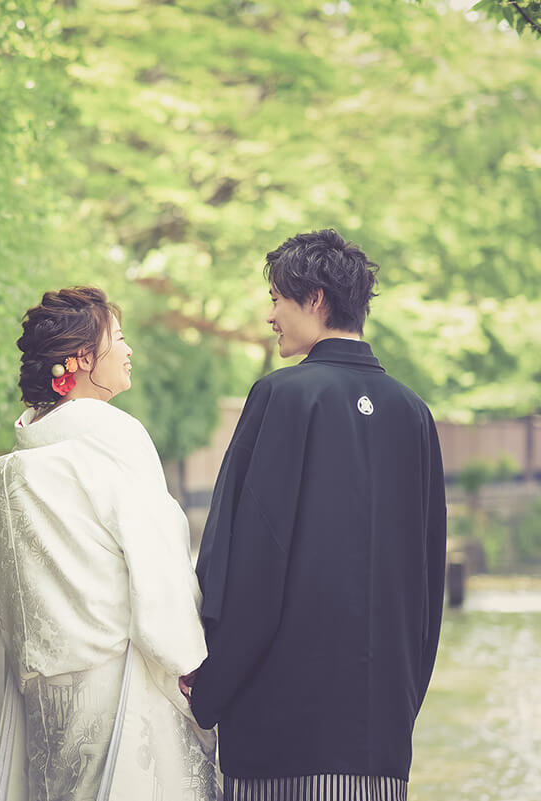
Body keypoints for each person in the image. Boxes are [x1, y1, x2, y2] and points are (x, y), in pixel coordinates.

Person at [184, 230, 447, 800]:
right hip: (381, 732)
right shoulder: (414, 414)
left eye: (278, 298)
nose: (271, 314)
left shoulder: (283, 396)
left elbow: (247, 558)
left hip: (283, 726)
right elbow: (429, 584)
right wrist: (402, 702)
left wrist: (207, 684)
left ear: (317, 298)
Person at [0, 286, 220, 801]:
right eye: (120, 339)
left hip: (46, 686)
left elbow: (3, 583)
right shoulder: (115, 440)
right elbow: (158, 568)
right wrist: (191, 665)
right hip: (117, 681)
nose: (129, 351)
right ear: (83, 358)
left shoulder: (6, 473)